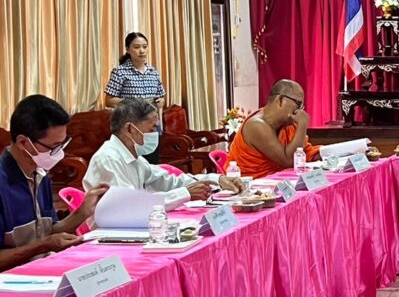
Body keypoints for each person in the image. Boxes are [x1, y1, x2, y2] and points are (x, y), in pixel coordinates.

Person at [0, 95, 108, 270]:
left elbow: (49, 232)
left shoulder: (40, 174)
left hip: (45, 269)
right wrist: (42, 246)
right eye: (54, 146)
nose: (60, 153)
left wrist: (83, 212)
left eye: (63, 144)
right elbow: (44, 242)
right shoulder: (3, 184)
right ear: (23, 142)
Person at [84, 98, 243, 207]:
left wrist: (217, 179)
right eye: (152, 129)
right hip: (113, 235)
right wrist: (184, 194)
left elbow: (171, 182)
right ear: (130, 129)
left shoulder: (136, 160)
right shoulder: (108, 159)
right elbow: (132, 206)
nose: (156, 135)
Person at [226, 80, 321, 179]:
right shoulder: (256, 125)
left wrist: (327, 153)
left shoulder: (287, 124)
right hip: (251, 184)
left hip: (277, 182)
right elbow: (289, 161)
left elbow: (305, 151)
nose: (300, 111)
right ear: (281, 100)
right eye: (298, 104)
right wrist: (302, 125)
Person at [104, 32, 167, 113]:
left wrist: (161, 102)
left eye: (145, 47)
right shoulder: (120, 71)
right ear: (127, 49)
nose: (142, 51)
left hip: (152, 118)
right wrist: (133, 103)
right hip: (129, 118)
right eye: (136, 47)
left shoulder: (153, 72)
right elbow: (109, 101)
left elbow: (161, 97)